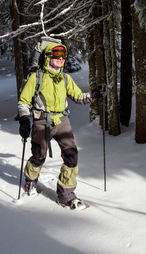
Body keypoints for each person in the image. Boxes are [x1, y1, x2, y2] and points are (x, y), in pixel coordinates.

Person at [17, 43, 107, 209]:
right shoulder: (37, 77)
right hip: (42, 122)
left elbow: (79, 97)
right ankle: (30, 181)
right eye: (57, 55)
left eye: (63, 55)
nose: (61, 59)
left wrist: (94, 94)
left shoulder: (65, 78)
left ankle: (66, 194)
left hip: (62, 121)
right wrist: (24, 119)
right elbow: (23, 101)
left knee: (71, 155)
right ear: (49, 56)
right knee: (39, 156)